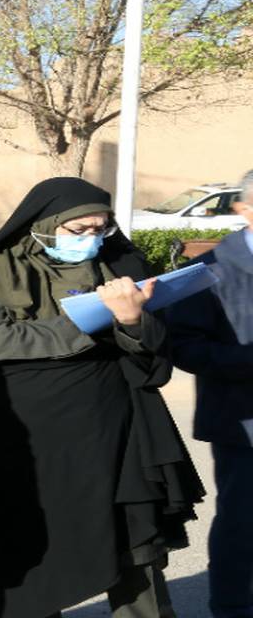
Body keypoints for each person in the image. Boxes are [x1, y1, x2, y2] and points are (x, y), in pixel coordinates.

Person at [0, 177, 203, 618]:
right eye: (79, 229)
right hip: (26, 431)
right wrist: (87, 322)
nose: (92, 238)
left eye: (101, 228)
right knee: (28, 538)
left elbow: (154, 348)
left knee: (131, 538)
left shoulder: (121, 262)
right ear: (44, 224)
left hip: (114, 422)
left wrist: (132, 321)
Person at [167, 169, 253, 618]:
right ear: (245, 209)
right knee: (243, 523)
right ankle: (232, 606)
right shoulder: (208, 273)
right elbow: (184, 346)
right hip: (243, 420)